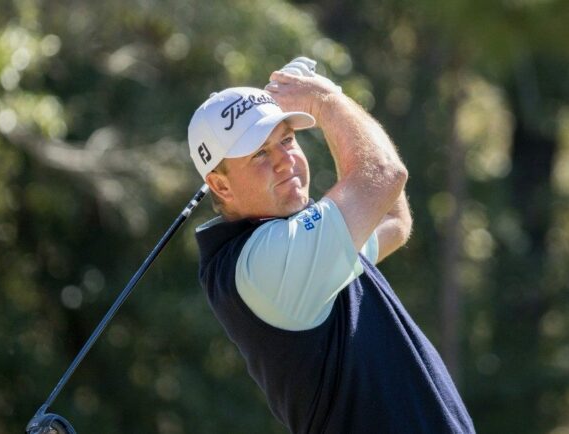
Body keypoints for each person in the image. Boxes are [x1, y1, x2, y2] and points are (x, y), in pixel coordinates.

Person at [187, 58, 474, 433]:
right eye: (259, 153)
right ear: (220, 185)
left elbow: (392, 220)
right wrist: (325, 101)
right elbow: (385, 175)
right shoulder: (261, 266)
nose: (284, 161)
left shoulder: (297, 243)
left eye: (287, 140)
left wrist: (332, 101)